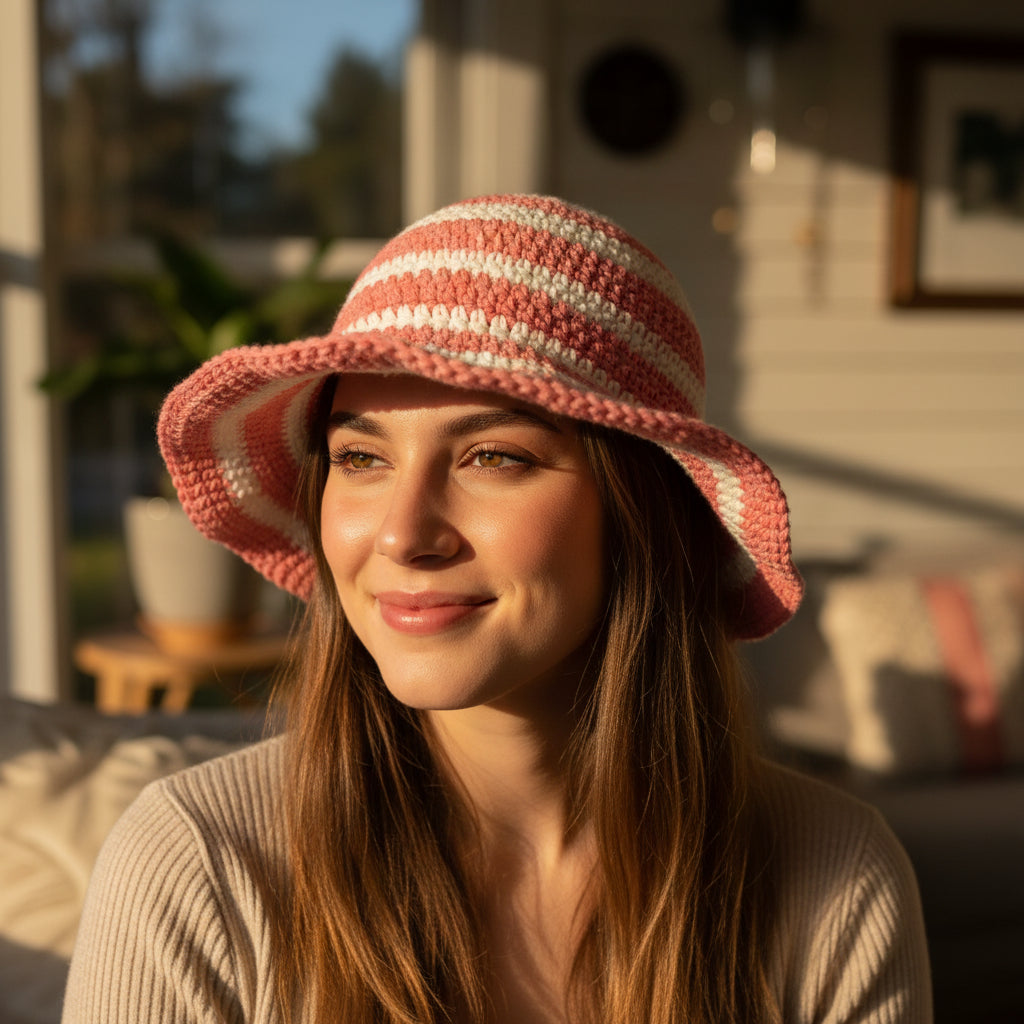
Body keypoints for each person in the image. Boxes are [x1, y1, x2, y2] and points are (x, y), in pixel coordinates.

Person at [62, 194, 932, 1024]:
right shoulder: (198, 869)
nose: (404, 536)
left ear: (644, 515)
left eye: (493, 456)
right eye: (361, 459)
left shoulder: (835, 878)